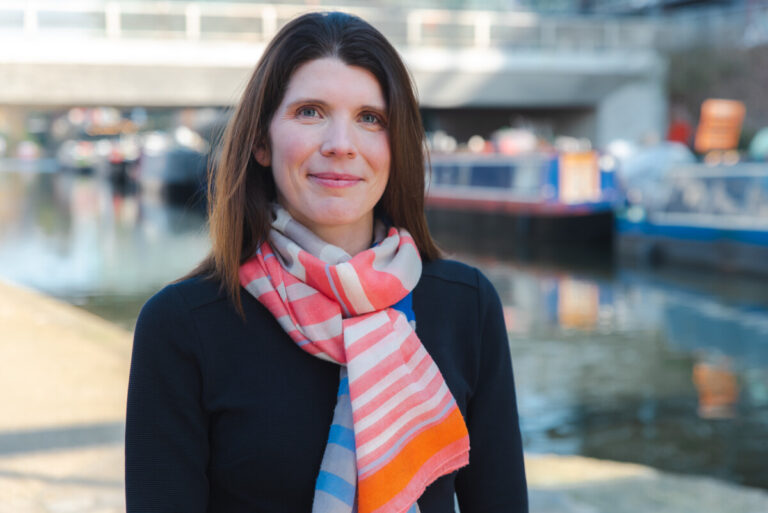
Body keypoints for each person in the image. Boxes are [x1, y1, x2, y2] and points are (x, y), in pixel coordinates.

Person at [125, 11, 527, 513]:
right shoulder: (182, 327)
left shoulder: (466, 306)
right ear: (260, 142)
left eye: (370, 118)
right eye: (310, 112)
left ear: (395, 146)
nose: (341, 145)